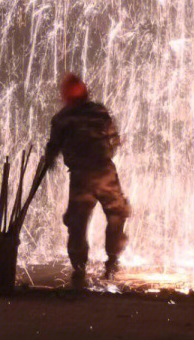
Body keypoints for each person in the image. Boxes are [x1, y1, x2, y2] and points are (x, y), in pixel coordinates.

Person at [42, 72, 130, 288]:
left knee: (78, 222)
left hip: (82, 177)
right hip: (105, 172)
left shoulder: (62, 118)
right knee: (116, 214)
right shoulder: (99, 112)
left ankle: (79, 269)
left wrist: (46, 165)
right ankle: (112, 262)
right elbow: (114, 140)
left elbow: (52, 150)